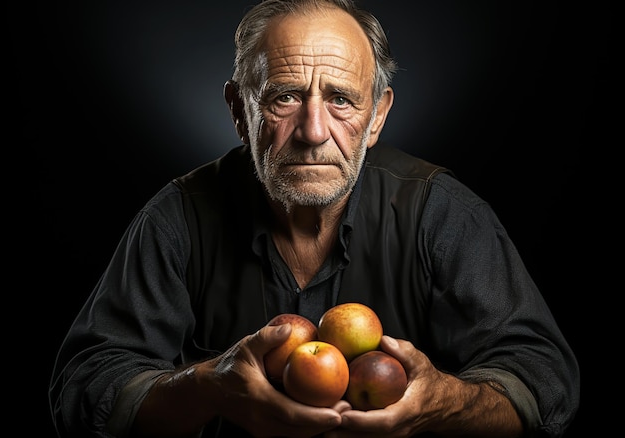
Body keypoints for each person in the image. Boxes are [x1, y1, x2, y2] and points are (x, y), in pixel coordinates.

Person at [49, 0, 580, 437]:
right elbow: (84, 389)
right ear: (240, 110)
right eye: (284, 97)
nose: (313, 130)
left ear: (377, 117)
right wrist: (207, 387)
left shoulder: (444, 215)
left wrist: (443, 405)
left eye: (342, 100)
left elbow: (542, 379)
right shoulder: (178, 219)